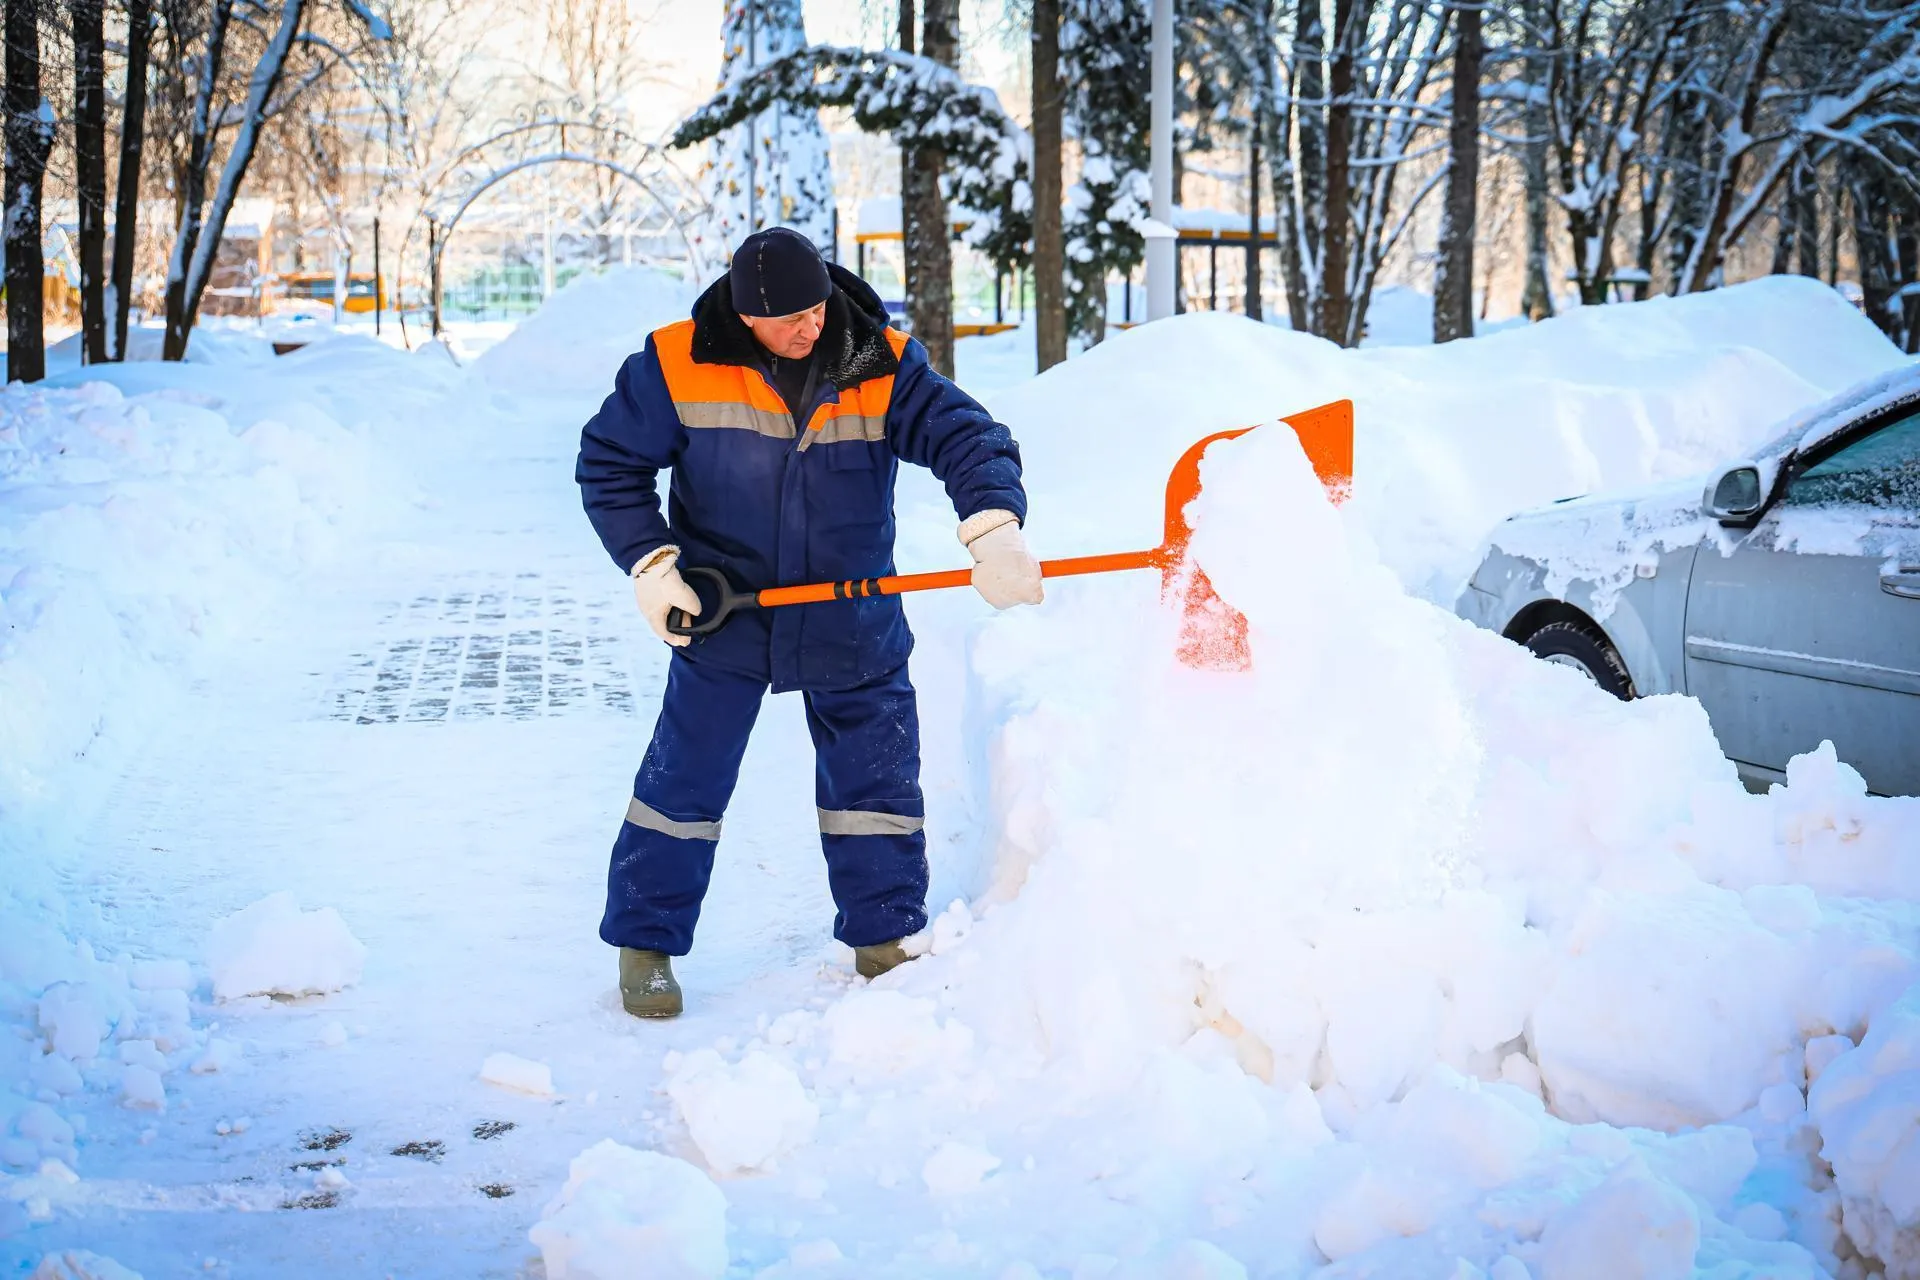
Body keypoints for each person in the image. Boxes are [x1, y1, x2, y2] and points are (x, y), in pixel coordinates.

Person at [576, 226, 1044, 1018]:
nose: (811, 326)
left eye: (818, 306)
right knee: (683, 782)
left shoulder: (881, 361)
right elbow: (609, 463)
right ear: (745, 315)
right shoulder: (675, 363)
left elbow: (967, 436)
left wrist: (993, 522)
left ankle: (885, 937)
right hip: (726, 609)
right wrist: (653, 565)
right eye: (790, 317)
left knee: (876, 779)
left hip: (850, 610)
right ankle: (645, 945)